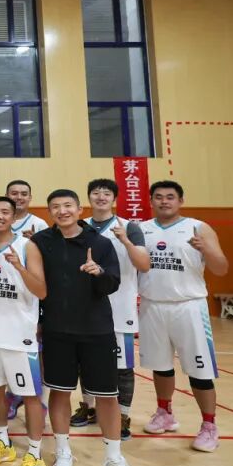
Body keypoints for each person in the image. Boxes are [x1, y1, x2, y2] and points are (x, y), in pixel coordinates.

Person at [31, 189, 141, 466]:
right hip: (57, 330)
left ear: (80, 209)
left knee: (107, 396)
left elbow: (112, 284)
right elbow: (38, 286)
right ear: (49, 212)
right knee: (59, 392)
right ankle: (63, 451)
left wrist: (99, 272)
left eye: (68, 205)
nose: (62, 211)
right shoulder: (42, 241)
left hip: (97, 330)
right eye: (55, 207)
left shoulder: (101, 243)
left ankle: (114, 458)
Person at [138, 180, 228, 452]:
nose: (164, 201)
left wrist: (206, 249)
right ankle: (164, 412)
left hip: (189, 307)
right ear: (151, 201)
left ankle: (209, 425)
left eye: (170, 197)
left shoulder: (198, 228)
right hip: (153, 305)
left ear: (180, 201)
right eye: (159, 197)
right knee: (160, 366)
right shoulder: (141, 229)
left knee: (200, 371)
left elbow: (221, 268)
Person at [0, 196, 50, 466]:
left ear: (13, 216)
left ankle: (35, 455)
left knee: (30, 395)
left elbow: (41, 291)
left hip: (20, 335)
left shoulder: (27, 246)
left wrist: (19, 267)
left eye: (5, 212)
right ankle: (3, 442)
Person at [71, 179, 150, 440]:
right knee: (85, 363)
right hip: (85, 307)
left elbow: (144, 264)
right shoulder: (79, 226)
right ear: (89, 198)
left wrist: (125, 241)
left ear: (114, 199)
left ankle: (123, 416)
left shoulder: (130, 227)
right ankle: (89, 407)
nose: (101, 197)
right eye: (96, 193)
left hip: (120, 307)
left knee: (122, 368)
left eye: (106, 193)